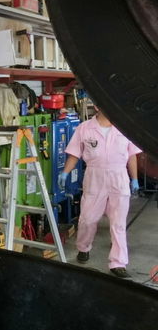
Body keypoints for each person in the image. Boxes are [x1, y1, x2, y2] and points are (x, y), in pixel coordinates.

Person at [58, 105, 141, 278]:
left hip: (119, 177)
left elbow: (132, 155)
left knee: (118, 224)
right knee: (88, 219)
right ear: (97, 106)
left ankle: (118, 263)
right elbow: (74, 154)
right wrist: (65, 173)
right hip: (95, 177)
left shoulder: (125, 127)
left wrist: (134, 178)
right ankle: (83, 247)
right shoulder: (84, 128)